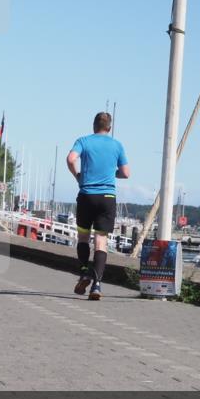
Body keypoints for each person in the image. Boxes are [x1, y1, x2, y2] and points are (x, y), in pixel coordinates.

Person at [66, 111, 129, 300]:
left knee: (83, 237)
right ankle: (97, 285)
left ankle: (84, 271)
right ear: (109, 128)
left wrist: (77, 175)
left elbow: (70, 159)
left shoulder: (84, 141)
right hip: (107, 197)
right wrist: (112, 173)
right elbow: (126, 173)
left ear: (94, 125)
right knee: (101, 241)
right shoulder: (117, 145)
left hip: (86, 195)